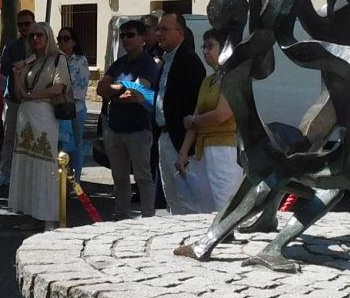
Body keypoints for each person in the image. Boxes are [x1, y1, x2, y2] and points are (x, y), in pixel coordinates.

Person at [97, 19, 161, 219]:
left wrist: (114, 90)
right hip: (115, 128)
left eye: (130, 34)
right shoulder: (119, 63)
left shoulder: (147, 63)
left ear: (143, 38)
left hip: (139, 129)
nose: (125, 39)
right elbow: (100, 88)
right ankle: (121, 216)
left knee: (143, 177)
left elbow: (136, 94)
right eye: (123, 35)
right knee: (120, 178)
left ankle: (148, 218)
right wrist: (123, 87)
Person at [175, 29, 242, 216]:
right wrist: (183, 152)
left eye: (210, 46)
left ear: (225, 48)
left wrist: (194, 120)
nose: (205, 51)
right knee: (205, 206)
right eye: (203, 46)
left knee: (224, 204)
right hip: (203, 151)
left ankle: (228, 242)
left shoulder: (234, 77)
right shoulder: (208, 81)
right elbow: (195, 120)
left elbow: (222, 114)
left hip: (225, 149)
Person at [7, 22, 67, 228]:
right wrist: (18, 75)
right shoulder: (30, 61)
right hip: (26, 115)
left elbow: (59, 87)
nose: (35, 39)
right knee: (26, 164)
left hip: (45, 114)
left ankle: (49, 216)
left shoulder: (59, 59)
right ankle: (32, 214)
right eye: (32, 36)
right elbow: (21, 93)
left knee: (45, 164)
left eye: (39, 35)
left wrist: (35, 95)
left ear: (48, 36)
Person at [152, 11, 207, 213]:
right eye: (158, 29)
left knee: (187, 201)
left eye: (164, 29)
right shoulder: (165, 61)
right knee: (171, 199)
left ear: (180, 33)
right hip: (164, 136)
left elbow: (195, 107)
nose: (159, 33)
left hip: (181, 140)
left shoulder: (189, 61)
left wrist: (186, 147)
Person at [0, 8, 36, 189]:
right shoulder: (11, 46)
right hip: (14, 100)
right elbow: (3, 68)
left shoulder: (40, 44)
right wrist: (17, 67)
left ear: (33, 23)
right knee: (10, 137)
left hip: (35, 101)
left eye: (27, 23)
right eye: (21, 24)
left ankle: (28, 174)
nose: (24, 27)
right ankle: (5, 172)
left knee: (32, 139)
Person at [55, 25, 90, 167]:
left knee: (75, 146)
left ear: (74, 42)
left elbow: (80, 88)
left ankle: (76, 182)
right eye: (60, 39)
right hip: (57, 108)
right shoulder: (54, 60)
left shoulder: (81, 61)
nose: (62, 42)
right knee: (58, 146)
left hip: (75, 109)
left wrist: (58, 91)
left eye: (66, 38)